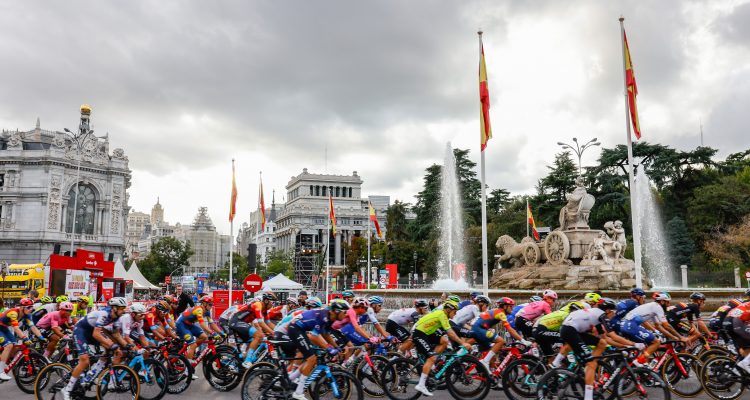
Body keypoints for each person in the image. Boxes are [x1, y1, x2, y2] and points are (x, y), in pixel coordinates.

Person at [560, 298, 641, 400]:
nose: (614, 314)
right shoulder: (601, 314)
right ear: (608, 310)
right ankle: (588, 397)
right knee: (592, 364)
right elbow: (613, 335)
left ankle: (589, 365)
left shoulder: (596, 315)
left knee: (601, 343)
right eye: (613, 312)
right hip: (570, 330)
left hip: (570, 329)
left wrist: (625, 346)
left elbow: (605, 338)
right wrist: (635, 344)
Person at [62, 297, 128, 400]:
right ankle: (67, 389)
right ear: (114, 308)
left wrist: (127, 345)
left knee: (109, 350)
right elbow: (96, 334)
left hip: (91, 331)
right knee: (84, 360)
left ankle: (91, 374)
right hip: (81, 331)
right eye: (122, 308)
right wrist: (112, 345)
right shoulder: (104, 314)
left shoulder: (116, 317)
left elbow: (116, 334)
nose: (124, 310)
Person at [286, 300, 350, 400]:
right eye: (344, 312)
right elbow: (314, 336)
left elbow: (326, 335)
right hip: (295, 329)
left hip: (300, 330)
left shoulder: (330, 318)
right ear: (337, 311)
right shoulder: (323, 317)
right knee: (312, 358)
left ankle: (290, 379)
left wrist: (337, 347)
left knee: (311, 358)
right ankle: (298, 392)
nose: (346, 315)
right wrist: (329, 348)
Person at [412, 300, 472, 396]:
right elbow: (450, 333)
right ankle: (421, 385)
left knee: (444, 341)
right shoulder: (442, 315)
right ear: (448, 310)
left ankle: (432, 363)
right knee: (431, 358)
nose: (456, 314)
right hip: (419, 334)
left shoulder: (443, 315)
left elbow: (449, 332)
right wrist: (463, 343)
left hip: (427, 333)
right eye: (454, 312)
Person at [619, 292, 687, 366]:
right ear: (662, 301)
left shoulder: (652, 306)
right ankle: (638, 362)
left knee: (645, 345)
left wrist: (673, 337)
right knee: (656, 342)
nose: (669, 304)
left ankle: (640, 366)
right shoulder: (658, 307)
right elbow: (666, 325)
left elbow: (658, 326)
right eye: (667, 302)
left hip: (624, 325)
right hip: (630, 325)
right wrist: (680, 337)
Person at [472, 297, 529, 369]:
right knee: (501, 341)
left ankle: (487, 374)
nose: (512, 308)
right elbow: (510, 329)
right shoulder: (501, 313)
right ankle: (485, 362)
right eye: (511, 306)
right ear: (505, 306)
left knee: (491, 354)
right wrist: (523, 340)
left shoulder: (497, 311)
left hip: (478, 328)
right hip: (479, 329)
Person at [0, 298, 44, 381]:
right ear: (21, 307)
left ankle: (4, 360)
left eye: (32, 307)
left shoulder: (27, 315)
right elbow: (16, 328)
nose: (31, 309)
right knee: (8, 345)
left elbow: (33, 327)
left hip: (4, 327)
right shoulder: (13, 313)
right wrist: (24, 338)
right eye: (28, 307)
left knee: (15, 345)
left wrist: (41, 337)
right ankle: (0, 371)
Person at [175, 295, 217, 361]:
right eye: (210, 304)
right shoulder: (199, 310)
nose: (211, 306)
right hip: (181, 324)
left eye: (212, 304)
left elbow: (212, 323)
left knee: (204, 336)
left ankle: (190, 350)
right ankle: (187, 369)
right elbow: (202, 324)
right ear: (204, 304)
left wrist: (221, 333)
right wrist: (212, 333)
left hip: (189, 324)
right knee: (193, 345)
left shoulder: (207, 312)